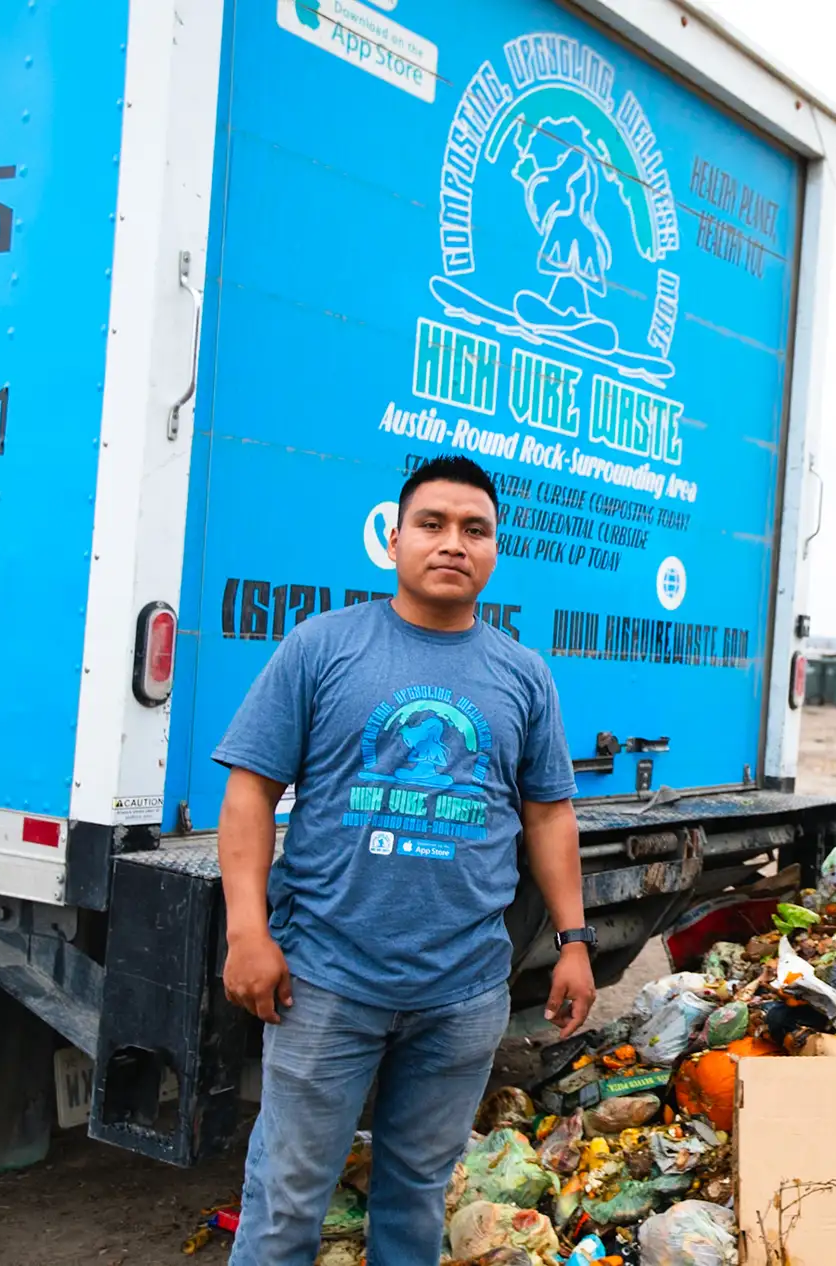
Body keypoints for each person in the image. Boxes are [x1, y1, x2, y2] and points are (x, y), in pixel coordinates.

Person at [215, 455, 597, 1266]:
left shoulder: (523, 675)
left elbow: (548, 813)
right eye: (432, 524)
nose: (453, 542)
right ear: (393, 540)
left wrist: (573, 941)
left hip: (463, 994)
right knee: (286, 1201)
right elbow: (251, 791)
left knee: (417, 1198)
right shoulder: (322, 647)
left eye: (475, 529)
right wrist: (247, 931)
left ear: (495, 550)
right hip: (325, 983)